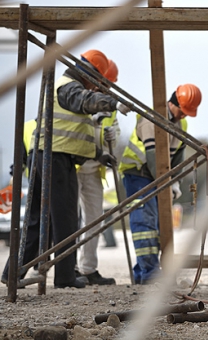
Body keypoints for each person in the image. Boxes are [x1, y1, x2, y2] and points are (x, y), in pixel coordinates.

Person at [1, 49, 130, 289]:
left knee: (41, 222)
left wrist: (98, 155)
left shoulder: (66, 84)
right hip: (55, 161)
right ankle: (65, 278)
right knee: (65, 221)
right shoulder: (68, 87)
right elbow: (82, 101)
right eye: (98, 81)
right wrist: (114, 102)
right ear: (90, 73)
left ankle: (12, 273)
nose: (96, 87)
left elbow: (73, 134)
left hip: (52, 158)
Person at [118, 84, 201, 285]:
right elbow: (154, 157)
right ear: (173, 103)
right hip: (138, 174)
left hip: (159, 177)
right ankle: (150, 273)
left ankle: (144, 272)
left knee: (156, 224)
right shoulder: (151, 119)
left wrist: (176, 182)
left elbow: (178, 159)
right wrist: (167, 183)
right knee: (144, 223)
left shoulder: (181, 125)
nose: (184, 116)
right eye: (182, 111)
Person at [76, 59, 120, 285]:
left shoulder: (108, 105)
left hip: (94, 168)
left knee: (94, 220)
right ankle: (69, 268)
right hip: (74, 165)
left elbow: (114, 134)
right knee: (68, 221)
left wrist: (112, 135)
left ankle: (87, 269)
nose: (106, 89)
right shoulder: (78, 96)